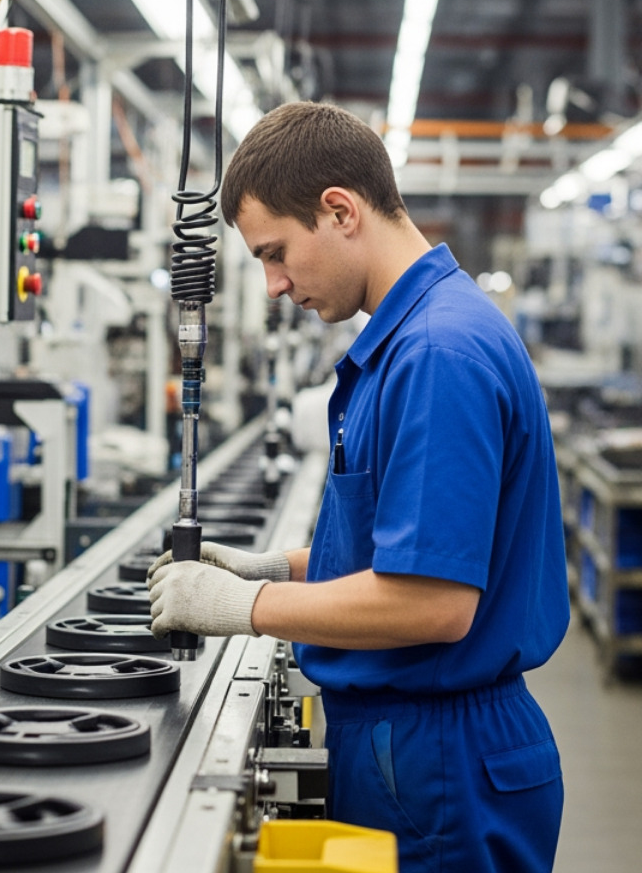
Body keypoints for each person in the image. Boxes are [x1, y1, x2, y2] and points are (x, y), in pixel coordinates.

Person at [147, 101, 567, 873]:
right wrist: (273, 567)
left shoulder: (438, 355)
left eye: (276, 253)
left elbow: (433, 602)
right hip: (412, 745)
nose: (274, 285)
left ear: (339, 210)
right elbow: (398, 546)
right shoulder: (414, 340)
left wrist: (243, 609)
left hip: (441, 761)